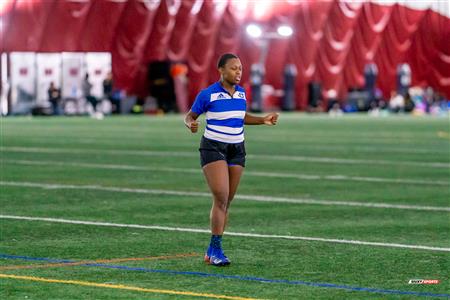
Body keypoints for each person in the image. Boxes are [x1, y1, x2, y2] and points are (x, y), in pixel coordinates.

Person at [184, 53, 279, 266]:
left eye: (240, 69)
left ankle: (211, 248)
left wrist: (262, 120)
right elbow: (190, 115)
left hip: (237, 149)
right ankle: (217, 250)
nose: (238, 72)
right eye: (234, 68)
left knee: (227, 202)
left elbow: (240, 116)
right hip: (213, 148)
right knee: (221, 197)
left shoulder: (242, 93)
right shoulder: (207, 94)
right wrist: (189, 124)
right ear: (221, 70)